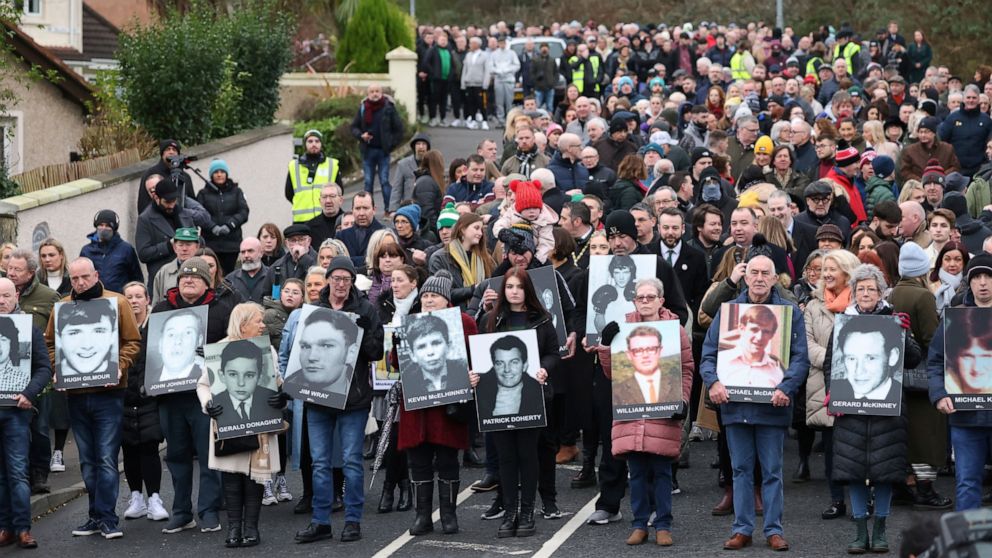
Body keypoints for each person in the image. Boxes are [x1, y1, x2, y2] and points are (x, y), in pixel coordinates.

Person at [701, 255, 809, 552]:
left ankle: (774, 530)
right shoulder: (729, 313)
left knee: (772, 471)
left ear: (776, 279)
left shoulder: (789, 313)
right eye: (754, 272)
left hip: (773, 406)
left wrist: (786, 387)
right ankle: (742, 529)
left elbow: (800, 357)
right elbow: (709, 354)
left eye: (766, 273)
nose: (759, 278)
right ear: (745, 277)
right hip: (735, 407)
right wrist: (714, 382)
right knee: (740, 470)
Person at [46, 257, 141, 540]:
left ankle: (108, 517)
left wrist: (119, 365)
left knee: (107, 458)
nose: (80, 283)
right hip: (76, 394)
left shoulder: (118, 302)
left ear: (96, 274)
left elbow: (133, 341)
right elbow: (50, 342)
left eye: (84, 277)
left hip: (109, 394)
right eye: (74, 279)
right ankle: (94, 516)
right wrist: (57, 367)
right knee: (88, 460)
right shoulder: (62, 306)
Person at [294, 256, 383, 545]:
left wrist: (361, 331)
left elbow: (376, 352)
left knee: (351, 461)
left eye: (347, 279)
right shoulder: (315, 310)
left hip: (353, 400)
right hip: (318, 399)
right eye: (337, 278)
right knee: (319, 462)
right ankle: (320, 521)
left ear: (352, 282)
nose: (341, 284)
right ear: (329, 280)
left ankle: (352, 521)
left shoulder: (366, 309)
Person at [832, 264, 919, 554]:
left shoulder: (894, 320)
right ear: (853, 292)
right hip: (851, 413)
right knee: (854, 471)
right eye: (861, 288)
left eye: (871, 288)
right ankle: (859, 532)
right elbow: (830, 363)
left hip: (888, 414)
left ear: (881, 292)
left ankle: (880, 530)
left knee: (885, 473)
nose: (866, 293)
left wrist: (905, 334)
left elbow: (913, 359)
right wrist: (834, 395)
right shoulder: (843, 321)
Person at [598, 277, 692, 546]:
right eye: (641, 298)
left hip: (663, 412)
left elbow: (686, 370)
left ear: (662, 300)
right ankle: (639, 524)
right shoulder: (623, 328)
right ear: (634, 301)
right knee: (636, 474)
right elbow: (611, 373)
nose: (646, 302)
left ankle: (663, 524)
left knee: (662, 472)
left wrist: (682, 401)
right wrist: (606, 346)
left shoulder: (676, 331)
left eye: (651, 297)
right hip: (632, 412)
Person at [150, 256, 236, 535]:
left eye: (195, 276)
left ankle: (209, 510)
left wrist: (212, 354)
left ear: (207, 282)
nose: (188, 279)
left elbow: (235, 347)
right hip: (170, 396)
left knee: (209, 455)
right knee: (176, 456)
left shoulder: (222, 309)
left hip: (205, 396)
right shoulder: (161, 309)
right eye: (184, 276)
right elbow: (149, 352)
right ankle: (181, 511)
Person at [471, 266, 557, 539]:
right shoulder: (490, 320)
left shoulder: (542, 319)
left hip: (533, 399)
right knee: (506, 458)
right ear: (503, 290)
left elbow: (554, 353)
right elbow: (480, 357)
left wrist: (544, 368)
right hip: (496, 403)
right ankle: (510, 512)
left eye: (519, 287)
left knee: (528, 455)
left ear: (527, 290)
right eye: (509, 287)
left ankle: (528, 511)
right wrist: (474, 375)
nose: (514, 292)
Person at [199, 305, 285, 548]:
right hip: (228, 423)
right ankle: (234, 528)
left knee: (255, 477)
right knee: (232, 477)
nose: (262, 325)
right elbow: (203, 384)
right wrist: (208, 405)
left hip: (260, 423)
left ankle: (251, 528)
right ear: (243, 323)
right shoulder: (220, 350)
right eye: (258, 321)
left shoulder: (267, 349)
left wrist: (281, 395)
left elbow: (276, 380)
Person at [398, 271, 477, 535]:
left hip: (449, 407)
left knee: (447, 459)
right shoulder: (409, 322)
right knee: (418, 460)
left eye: (435, 296)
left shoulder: (464, 322)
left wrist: (471, 375)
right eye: (426, 296)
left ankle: (448, 514)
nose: (429, 300)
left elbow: (474, 357)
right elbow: (396, 364)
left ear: (447, 299)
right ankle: (422, 516)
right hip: (418, 407)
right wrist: (397, 345)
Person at [928, 254, 992, 511]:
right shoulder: (955, 318)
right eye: (977, 277)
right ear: (970, 282)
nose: (983, 283)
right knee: (967, 482)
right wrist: (939, 394)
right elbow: (935, 361)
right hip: (965, 417)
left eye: (988, 276)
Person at [803, 248, 860, 519]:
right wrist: (837, 359)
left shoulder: (862, 304)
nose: (825, 274)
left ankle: (864, 500)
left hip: (859, 383)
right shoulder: (813, 305)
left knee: (859, 448)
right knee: (832, 449)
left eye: (832, 269)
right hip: (823, 384)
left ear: (847, 273)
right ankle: (837, 500)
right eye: (824, 269)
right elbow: (806, 343)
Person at [0, 277, 52, 549]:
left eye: (6, 295)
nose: (1, 301)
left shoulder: (27, 328)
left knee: (18, 472)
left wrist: (28, 394)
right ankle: (5, 527)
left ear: (16, 296)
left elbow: (45, 368)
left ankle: (22, 529)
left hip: (17, 411)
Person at [120, 281, 169, 523]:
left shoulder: (156, 326)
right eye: (129, 296)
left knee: (149, 446)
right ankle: (136, 497)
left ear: (147, 299)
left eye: (139, 296)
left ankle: (155, 499)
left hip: (150, 396)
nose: (134, 300)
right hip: (124, 397)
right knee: (128, 448)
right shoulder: (117, 326)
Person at [135, 178, 200, 292]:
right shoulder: (145, 219)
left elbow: (197, 242)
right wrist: (169, 245)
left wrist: (197, 239)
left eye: (174, 201)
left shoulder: (182, 213)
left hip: (190, 276)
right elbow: (143, 254)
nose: (171, 205)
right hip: (164, 281)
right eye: (167, 202)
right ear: (156, 198)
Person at [351, 84, 405, 214]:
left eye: (377, 91)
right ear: (368, 94)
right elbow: (354, 127)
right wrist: (361, 135)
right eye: (372, 92)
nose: (374, 94)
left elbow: (399, 129)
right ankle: (367, 210)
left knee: (384, 181)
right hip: (367, 151)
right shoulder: (364, 107)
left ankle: (389, 209)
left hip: (383, 151)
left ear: (382, 93)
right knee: (368, 182)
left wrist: (391, 144)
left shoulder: (388, 107)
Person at [286, 308, 360, 402]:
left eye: (326, 346)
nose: (312, 357)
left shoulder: (359, 391)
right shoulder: (290, 390)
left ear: (351, 353)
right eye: (305, 346)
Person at [197, 159, 249, 274]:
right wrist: (212, 227)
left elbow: (244, 212)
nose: (219, 174)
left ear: (226, 173)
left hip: (232, 244)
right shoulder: (203, 194)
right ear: (211, 175)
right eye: (216, 172)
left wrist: (230, 225)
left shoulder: (237, 192)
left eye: (222, 171)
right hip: (210, 244)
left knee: (229, 275)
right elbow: (199, 214)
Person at [716, 304, 787, 388]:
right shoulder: (721, 361)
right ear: (742, 328)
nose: (759, 337)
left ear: (771, 335)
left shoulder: (777, 373)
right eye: (754, 329)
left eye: (766, 332)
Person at [403, 313, 467, 394]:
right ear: (412, 355)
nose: (430, 352)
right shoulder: (407, 383)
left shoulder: (465, 370)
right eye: (421, 347)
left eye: (436, 343)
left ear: (448, 346)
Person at [285, 130, 340, 224]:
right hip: (302, 220)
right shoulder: (294, 166)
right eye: (310, 141)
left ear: (321, 144)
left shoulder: (332, 165)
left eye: (317, 141)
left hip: (326, 218)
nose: (314, 144)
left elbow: (339, 191)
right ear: (305, 144)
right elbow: (288, 193)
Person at [138, 139, 195, 214]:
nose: (171, 152)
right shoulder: (150, 174)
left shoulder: (185, 176)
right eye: (168, 149)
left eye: (174, 150)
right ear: (162, 154)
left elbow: (193, 202)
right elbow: (143, 204)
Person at [150, 227, 202, 306]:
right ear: (174, 247)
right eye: (180, 245)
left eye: (188, 245)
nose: (184, 249)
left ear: (197, 247)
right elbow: (156, 303)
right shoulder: (164, 271)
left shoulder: (204, 270)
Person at [336, 192, 386, 267]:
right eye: (357, 208)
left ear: (374, 210)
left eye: (365, 208)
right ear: (352, 210)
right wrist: (369, 259)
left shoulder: (384, 234)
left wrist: (349, 260)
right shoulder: (341, 236)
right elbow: (337, 261)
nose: (361, 213)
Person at [226, 237, 274, 305]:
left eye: (250, 251)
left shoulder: (272, 276)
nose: (246, 255)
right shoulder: (230, 279)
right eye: (243, 252)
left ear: (261, 253)